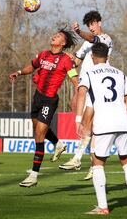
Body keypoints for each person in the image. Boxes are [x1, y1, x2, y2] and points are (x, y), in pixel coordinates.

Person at [9, 28, 79, 187]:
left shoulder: (65, 60)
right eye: (55, 34)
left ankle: (33, 176)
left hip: (49, 100)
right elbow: (31, 67)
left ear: (63, 43)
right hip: (38, 97)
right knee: (38, 128)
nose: (54, 36)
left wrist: (76, 95)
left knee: (39, 133)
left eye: (59, 36)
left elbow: (74, 78)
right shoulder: (43, 54)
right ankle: (58, 144)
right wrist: (19, 72)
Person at [76, 43, 127, 215]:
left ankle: (103, 207)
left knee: (97, 163)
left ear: (92, 57)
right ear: (108, 57)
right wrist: (117, 109)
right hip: (124, 123)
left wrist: (78, 119)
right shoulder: (120, 73)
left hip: (104, 124)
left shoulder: (89, 73)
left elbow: (81, 94)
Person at [59, 10, 113, 181]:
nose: (91, 27)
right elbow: (75, 62)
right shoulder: (85, 44)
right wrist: (62, 59)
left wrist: (78, 32)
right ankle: (90, 164)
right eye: (88, 25)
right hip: (86, 86)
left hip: (98, 86)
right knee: (89, 126)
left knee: (89, 124)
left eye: (93, 24)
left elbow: (92, 39)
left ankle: (79, 159)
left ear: (99, 23)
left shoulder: (105, 39)